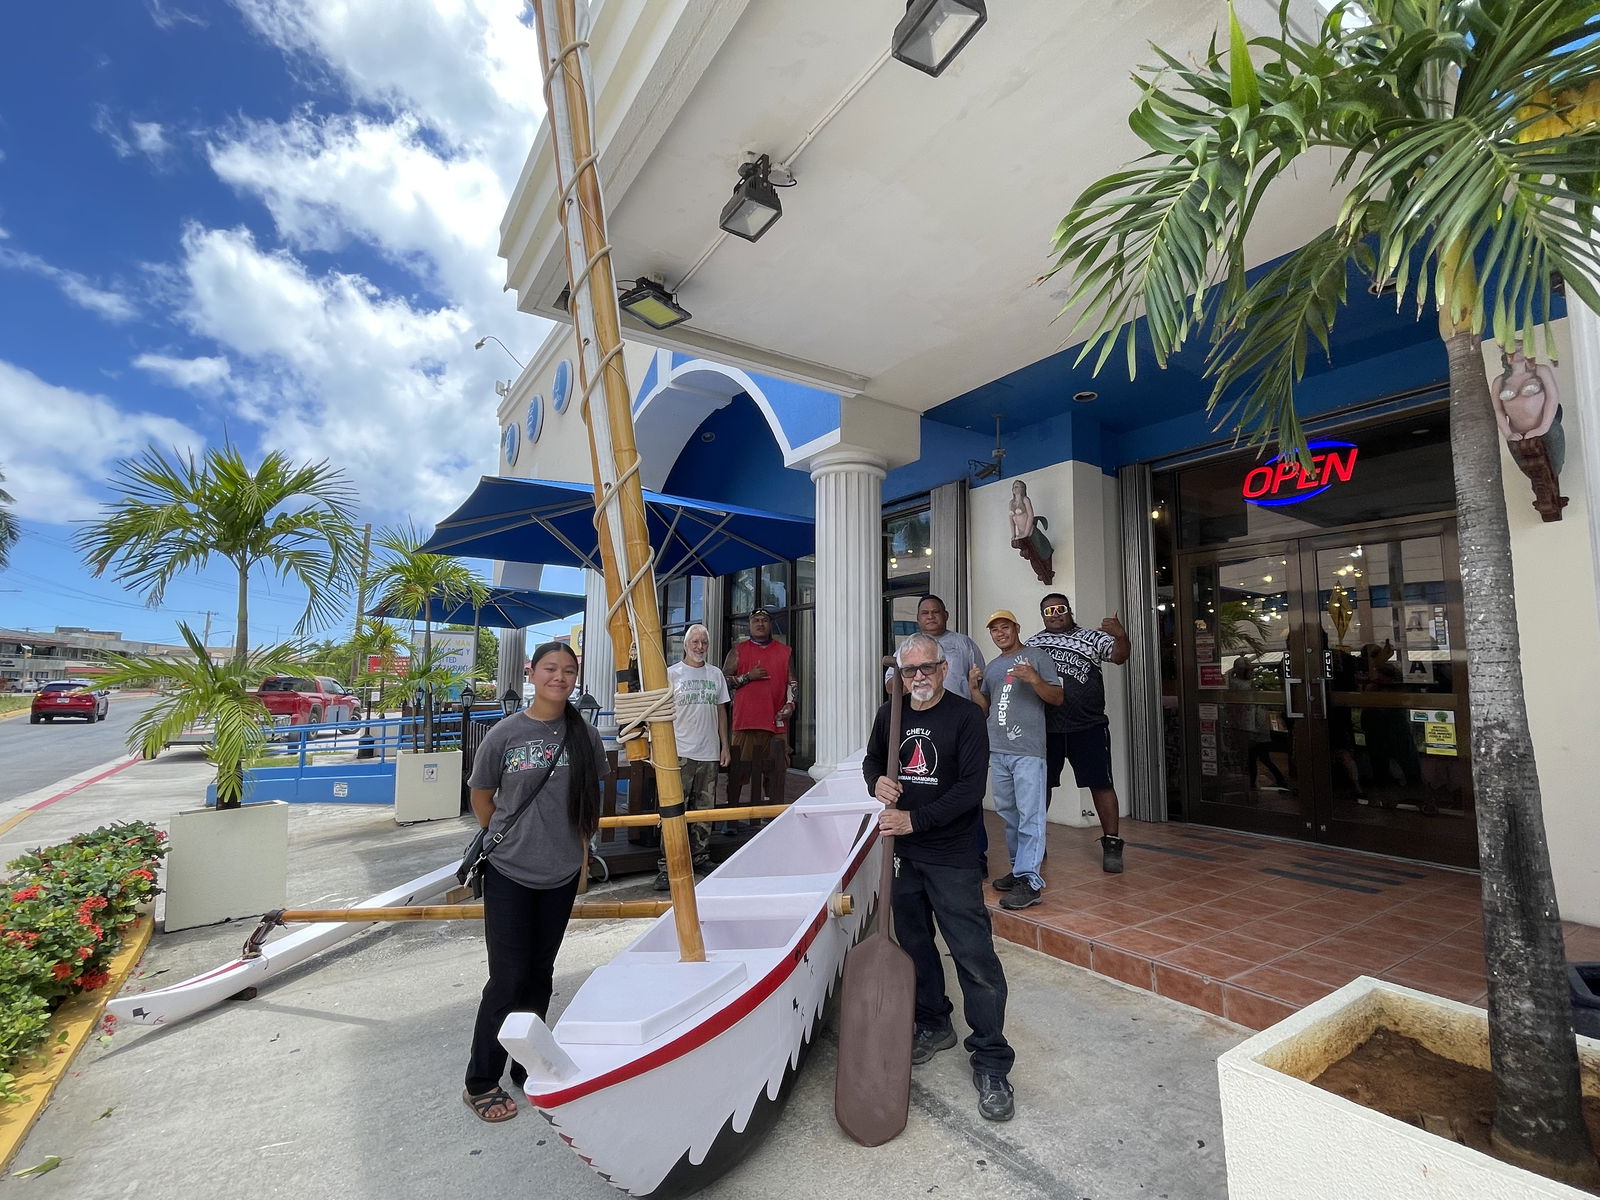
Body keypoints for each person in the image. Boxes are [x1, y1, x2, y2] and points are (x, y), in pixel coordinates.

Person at [863, 632, 1016, 1122]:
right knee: (914, 946)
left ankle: (992, 1059)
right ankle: (934, 1022)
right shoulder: (892, 714)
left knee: (974, 957)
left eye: (927, 668)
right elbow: (872, 760)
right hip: (903, 854)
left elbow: (971, 789)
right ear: (899, 675)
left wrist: (914, 820)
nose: (919, 678)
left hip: (951, 856)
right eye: (910, 671)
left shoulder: (967, 717)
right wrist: (877, 782)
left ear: (944, 669)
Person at [462, 641, 605, 1123]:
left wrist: (579, 857)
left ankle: (528, 1062)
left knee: (540, 974)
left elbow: (589, 801)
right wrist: (511, 839)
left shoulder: (584, 736)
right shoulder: (505, 733)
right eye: (550, 668)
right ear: (532, 672)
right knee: (507, 977)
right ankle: (481, 1078)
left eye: (568, 670)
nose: (560, 678)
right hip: (509, 872)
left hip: (560, 872)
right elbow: (484, 800)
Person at [1025, 593, 1129, 874]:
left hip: (1089, 726)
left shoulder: (1091, 638)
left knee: (1101, 784)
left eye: (1060, 609)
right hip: (1047, 729)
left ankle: (1112, 843)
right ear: (1042, 615)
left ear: (1069, 611)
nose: (1055, 614)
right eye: (1048, 611)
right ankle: (1036, 841)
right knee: (1040, 787)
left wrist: (1121, 636)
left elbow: (1119, 657)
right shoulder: (1033, 644)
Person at [975, 610, 1062, 908]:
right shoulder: (993, 666)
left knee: (1030, 815)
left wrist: (1034, 679)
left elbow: (1057, 697)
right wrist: (975, 688)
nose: (1000, 633)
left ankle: (1031, 881)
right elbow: (985, 708)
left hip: (1027, 751)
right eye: (995, 630)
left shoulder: (1036, 656)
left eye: (1005, 627)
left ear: (1017, 628)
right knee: (1009, 815)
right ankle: (1018, 870)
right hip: (998, 751)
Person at [655, 623, 730, 891]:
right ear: (685, 644)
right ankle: (668, 865)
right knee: (673, 810)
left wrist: (725, 746)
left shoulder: (716, 674)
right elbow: (659, 711)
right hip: (679, 752)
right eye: (695, 642)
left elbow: (721, 711)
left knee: (704, 810)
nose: (700, 647)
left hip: (708, 752)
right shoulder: (671, 674)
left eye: (704, 643)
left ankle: (700, 857)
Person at [722, 607, 796, 810]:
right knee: (739, 771)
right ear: (749, 625)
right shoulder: (738, 650)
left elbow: (792, 683)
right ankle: (731, 815)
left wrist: (790, 704)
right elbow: (722, 681)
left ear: (770, 624)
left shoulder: (784, 651)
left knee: (776, 771)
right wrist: (747, 677)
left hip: (776, 721)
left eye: (764, 620)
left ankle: (772, 815)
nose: (760, 624)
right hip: (745, 721)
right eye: (756, 620)